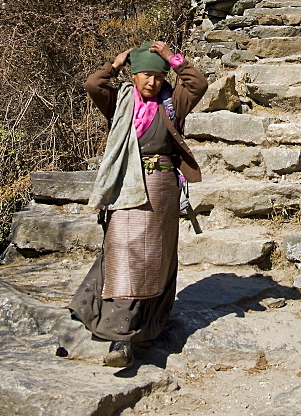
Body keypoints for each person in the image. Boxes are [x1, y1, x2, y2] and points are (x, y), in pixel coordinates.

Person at [70, 39, 208, 368]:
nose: (151, 82)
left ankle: (148, 329)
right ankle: (118, 335)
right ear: (134, 76)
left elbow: (198, 83)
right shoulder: (118, 101)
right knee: (122, 252)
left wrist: (170, 58)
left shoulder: (174, 102)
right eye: (145, 75)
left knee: (157, 257)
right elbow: (93, 84)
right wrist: (115, 65)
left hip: (162, 186)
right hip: (126, 183)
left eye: (158, 77)